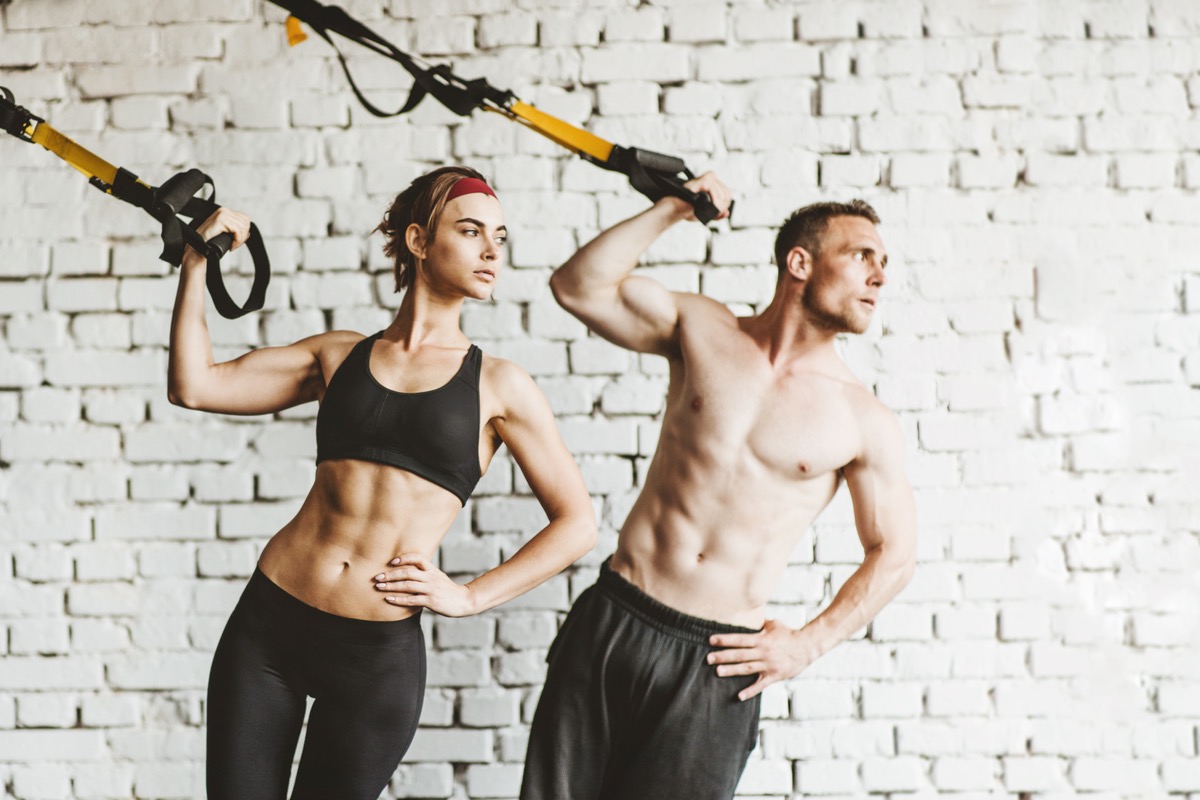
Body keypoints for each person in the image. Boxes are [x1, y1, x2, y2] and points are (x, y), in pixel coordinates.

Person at [168, 166, 597, 800]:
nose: (490, 252)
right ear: (420, 241)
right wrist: (195, 263)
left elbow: (578, 524)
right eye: (471, 230)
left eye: (499, 238)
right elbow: (194, 386)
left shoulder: (500, 386)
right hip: (269, 628)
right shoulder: (338, 356)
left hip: (374, 658)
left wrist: (471, 596)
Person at [520, 174, 918, 800]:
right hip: (617, 614)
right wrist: (673, 208)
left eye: (884, 263)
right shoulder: (703, 330)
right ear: (800, 262)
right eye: (861, 255)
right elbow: (577, 287)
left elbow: (895, 554)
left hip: (716, 659)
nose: (880, 276)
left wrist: (808, 645)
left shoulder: (862, 419)